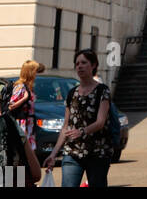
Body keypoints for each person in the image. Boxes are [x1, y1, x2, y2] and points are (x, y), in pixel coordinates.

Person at [43, 49, 112, 187]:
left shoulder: (102, 91)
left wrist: (82, 131)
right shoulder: (71, 93)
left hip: (97, 152)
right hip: (72, 152)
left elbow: (100, 122)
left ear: (93, 65)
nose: (79, 66)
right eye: (77, 63)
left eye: (84, 63)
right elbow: (65, 127)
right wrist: (53, 154)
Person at [7, 59, 44, 153]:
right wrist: (24, 98)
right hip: (21, 125)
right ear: (30, 72)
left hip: (29, 124)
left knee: (27, 155)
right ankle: (15, 169)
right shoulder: (21, 87)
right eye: (35, 71)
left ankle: (26, 168)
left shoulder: (28, 87)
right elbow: (10, 106)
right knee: (19, 154)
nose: (36, 74)